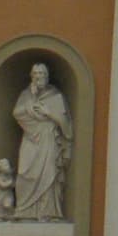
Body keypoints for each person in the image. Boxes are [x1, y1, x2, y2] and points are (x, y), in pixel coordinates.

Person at [12, 62, 73, 220]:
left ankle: (48, 212)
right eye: (36, 74)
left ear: (47, 76)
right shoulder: (26, 95)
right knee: (24, 172)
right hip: (30, 138)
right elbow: (17, 113)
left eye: (42, 73)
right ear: (31, 76)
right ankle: (24, 211)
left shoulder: (55, 96)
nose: (39, 77)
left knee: (48, 174)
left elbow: (65, 125)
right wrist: (31, 101)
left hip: (48, 139)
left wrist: (49, 112)